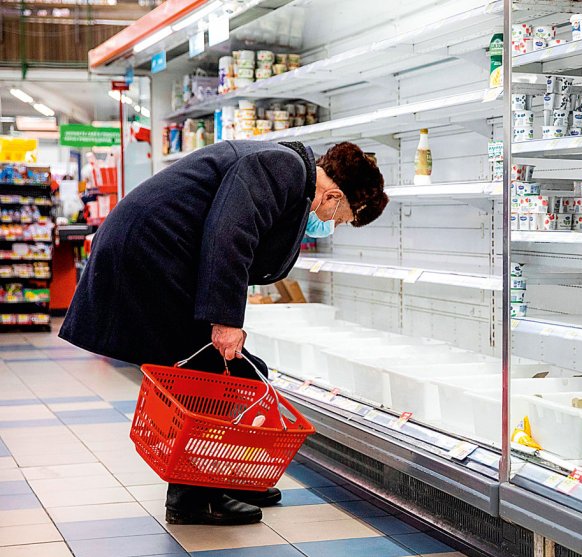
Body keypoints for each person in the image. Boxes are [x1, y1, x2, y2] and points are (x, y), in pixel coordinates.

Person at [59, 140, 387, 525]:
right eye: (341, 217)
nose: (332, 224)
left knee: (242, 370)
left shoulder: (290, 177)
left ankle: (230, 477)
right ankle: (195, 499)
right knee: (208, 372)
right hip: (151, 250)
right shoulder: (283, 168)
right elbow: (230, 232)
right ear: (332, 195)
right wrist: (225, 319)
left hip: (162, 252)